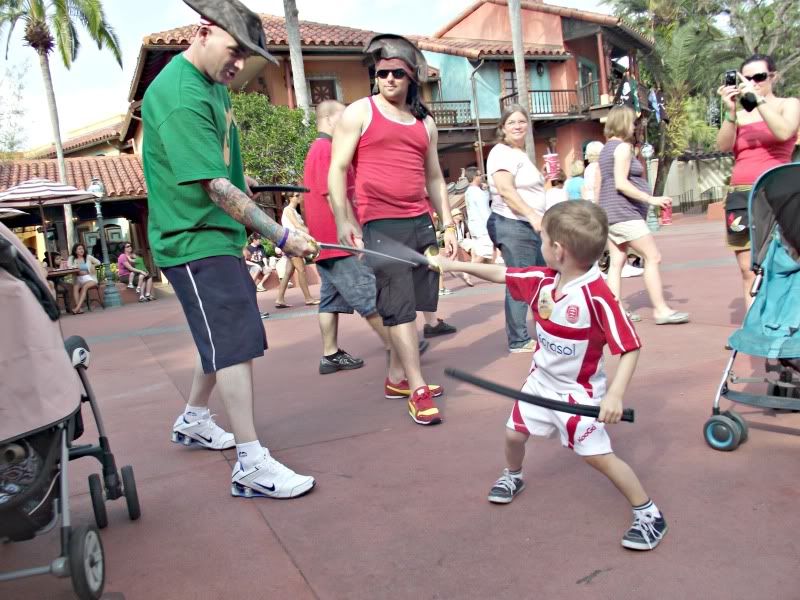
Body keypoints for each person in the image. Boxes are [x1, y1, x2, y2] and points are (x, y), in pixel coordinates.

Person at [142, 0, 318, 499]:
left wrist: (246, 179)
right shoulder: (181, 96)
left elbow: (217, 166)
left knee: (221, 338)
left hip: (213, 234)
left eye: (247, 55)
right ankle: (250, 464)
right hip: (192, 237)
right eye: (234, 49)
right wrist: (281, 235)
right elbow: (215, 187)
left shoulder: (212, 84)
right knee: (235, 342)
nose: (239, 63)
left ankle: (194, 419)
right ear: (203, 32)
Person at [429, 200, 668, 551]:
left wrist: (615, 395)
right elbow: (502, 274)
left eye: (541, 239)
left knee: (598, 457)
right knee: (513, 435)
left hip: (578, 395)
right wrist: (450, 264)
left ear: (558, 250)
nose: (538, 245)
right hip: (539, 385)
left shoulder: (599, 296)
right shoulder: (542, 281)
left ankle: (649, 514)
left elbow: (630, 347)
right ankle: (513, 475)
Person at [329, 33, 457, 426]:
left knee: (416, 302)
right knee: (398, 306)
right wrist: (343, 218)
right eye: (381, 72)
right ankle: (417, 387)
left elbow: (434, 177)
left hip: (420, 220)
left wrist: (448, 223)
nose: (387, 79)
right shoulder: (360, 112)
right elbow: (338, 168)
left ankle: (397, 377)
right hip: (381, 223)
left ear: (411, 77)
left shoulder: (425, 123)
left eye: (397, 73)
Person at [716, 53, 800, 310]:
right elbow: (723, 146)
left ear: (773, 77)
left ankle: (786, 318)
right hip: (742, 194)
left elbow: (784, 131)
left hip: (779, 193)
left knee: (788, 258)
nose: (752, 83)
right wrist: (731, 111)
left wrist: (758, 100)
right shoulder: (740, 116)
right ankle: (754, 324)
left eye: (759, 77)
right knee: (747, 268)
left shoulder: (788, 104)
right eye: (746, 79)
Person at [598, 105, 689, 325]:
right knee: (652, 256)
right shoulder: (622, 148)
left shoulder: (606, 149)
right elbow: (621, 183)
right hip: (624, 212)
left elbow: (606, 182)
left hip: (610, 211)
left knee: (617, 261)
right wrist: (651, 199)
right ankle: (661, 310)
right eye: (632, 122)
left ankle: (615, 312)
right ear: (623, 122)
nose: (634, 126)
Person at [485, 104, 546, 353]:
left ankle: (548, 328)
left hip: (528, 225)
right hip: (514, 223)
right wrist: (532, 215)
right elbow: (506, 190)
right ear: (502, 128)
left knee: (542, 278)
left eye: (522, 121)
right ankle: (519, 339)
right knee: (521, 281)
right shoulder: (502, 153)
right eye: (512, 122)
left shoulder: (519, 153)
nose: (518, 126)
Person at [274, 193, 319, 308]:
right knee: (301, 270)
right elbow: (297, 226)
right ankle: (308, 298)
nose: (299, 197)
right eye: (296, 195)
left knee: (288, 273)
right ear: (290, 198)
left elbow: (299, 228)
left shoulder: (293, 211)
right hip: (293, 244)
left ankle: (280, 299)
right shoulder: (288, 210)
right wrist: (312, 235)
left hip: (293, 243)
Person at [67, 242, 101, 314]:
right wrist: (78, 267)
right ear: (75, 251)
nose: (81, 250)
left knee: (84, 287)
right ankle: (79, 309)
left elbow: (98, 263)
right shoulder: (71, 258)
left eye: (82, 248)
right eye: (79, 249)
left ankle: (77, 308)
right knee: (75, 287)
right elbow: (69, 266)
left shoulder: (88, 257)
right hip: (78, 278)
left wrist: (92, 266)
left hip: (90, 278)